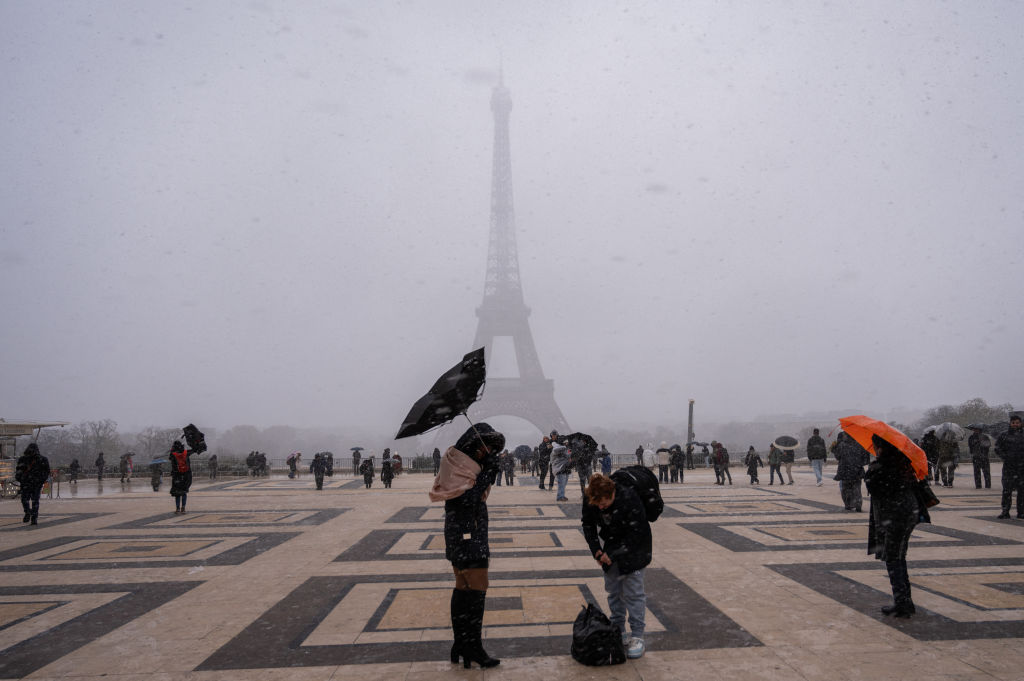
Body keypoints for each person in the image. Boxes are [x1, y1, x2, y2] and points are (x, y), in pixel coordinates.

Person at [428, 422, 505, 669]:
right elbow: (467, 500)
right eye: (488, 448)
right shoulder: (461, 465)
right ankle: (473, 646)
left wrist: (485, 471)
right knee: (477, 589)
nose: (488, 453)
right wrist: (486, 474)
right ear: (476, 443)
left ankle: (461, 643)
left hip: (460, 532)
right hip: (467, 532)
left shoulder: (456, 461)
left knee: (463, 587)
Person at [581, 472, 651, 660]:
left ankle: (637, 636)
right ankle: (618, 630)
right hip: (612, 544)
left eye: (604, 503)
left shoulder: (628, 497)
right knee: (614, 591)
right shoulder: (590, 498)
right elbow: (587, 524)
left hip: (637, 548)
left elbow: (637, 531)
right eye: (598, 506)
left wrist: (611, 555)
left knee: (634, 593)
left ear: (612, 493)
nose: (601, 508)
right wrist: (596, 550)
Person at [864, 434, 926, 618]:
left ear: (881, 447)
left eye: (875, 445)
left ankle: (902, 603)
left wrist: (871, 470)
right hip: (906, 513)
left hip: (895, 515)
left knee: (893, 557)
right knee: (899, 555)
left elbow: (874, 487)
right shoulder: (902, 463)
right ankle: (905, 600)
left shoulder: (885, 466)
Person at [833, 432, 870, 512]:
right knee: (857, 489)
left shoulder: (841, 445)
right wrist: (858, 463)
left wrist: (834, 448)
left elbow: (838, 457)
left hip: (845, 470)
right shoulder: (860, 445)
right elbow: (866, 460)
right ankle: (858, 504)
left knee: (845, 489)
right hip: (856, 471)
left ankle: (848, 504)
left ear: (846, 436)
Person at [996, 415, 1024, 519]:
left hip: (1022, 467)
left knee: (1022, 491)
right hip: (1009, 466)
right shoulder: (1004, 435)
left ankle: (1021, 512)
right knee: (1007, 490)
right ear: (1010, 423)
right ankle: (1005, 511)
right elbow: (997, 448)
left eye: (1017, 422)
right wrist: (1005, 457)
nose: (1015, 425)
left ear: (1020, 423)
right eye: (1013, 423)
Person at [15, 443, 50, 525]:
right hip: (36, 483)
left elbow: (19, 470)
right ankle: (34, 517)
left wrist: (20, 479)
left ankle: (28, 512)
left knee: (24, 500)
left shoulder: (23, 459)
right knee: (35, 501)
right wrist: (41, 479)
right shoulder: (43, 459)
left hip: (26, 483)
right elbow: (46, 471)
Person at [169, 440, 196, 514]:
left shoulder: (173, 454)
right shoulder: (186, 453)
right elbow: (194, 450)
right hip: (185, 476)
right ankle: (183, 508)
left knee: (177, 493)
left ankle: (177, 508)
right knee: (184, 492)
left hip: (177, 476)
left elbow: (171, 460)